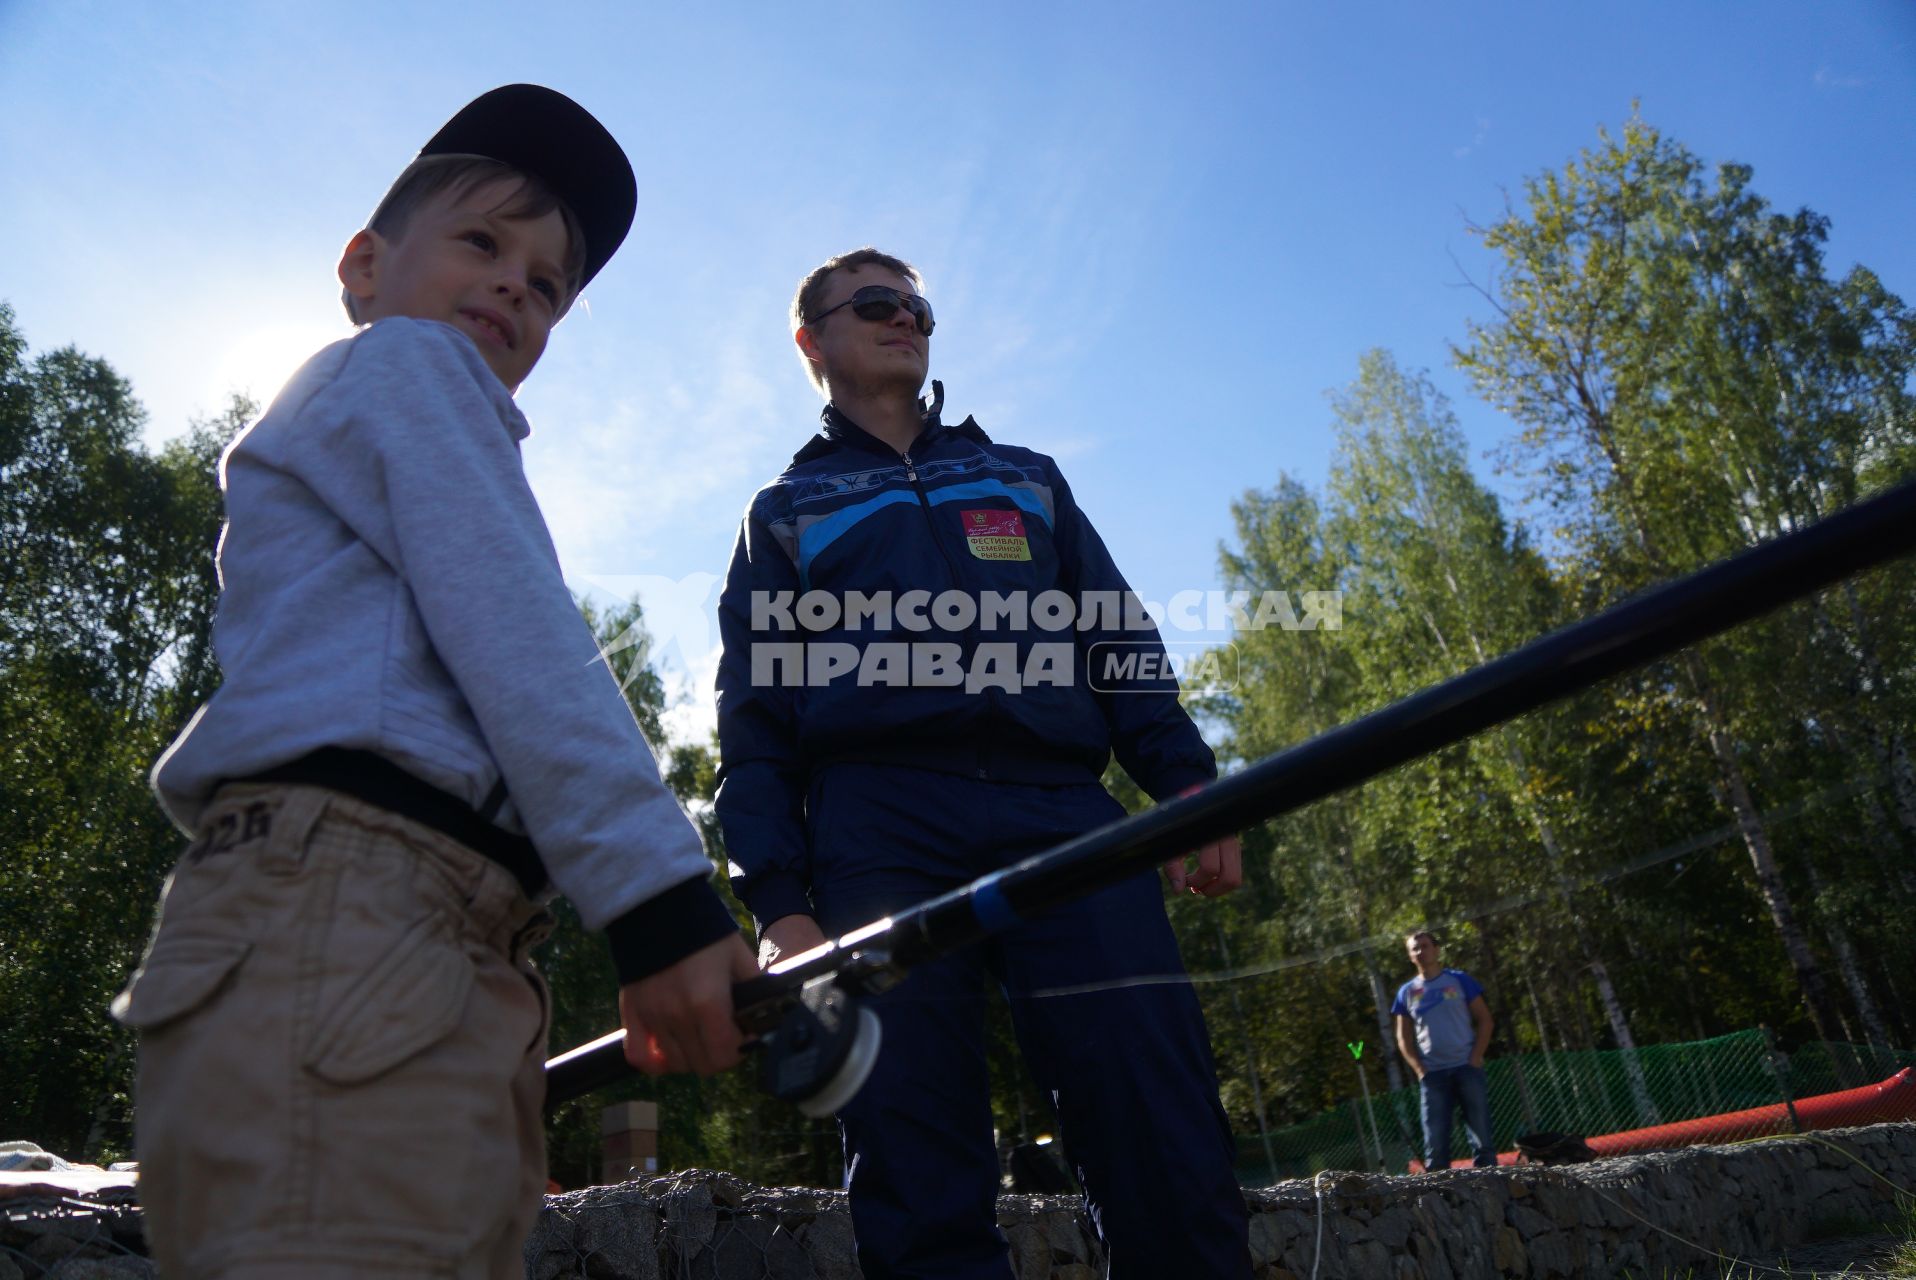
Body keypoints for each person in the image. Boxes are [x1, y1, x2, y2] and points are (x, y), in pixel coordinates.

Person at [112, 85, 755, 1278]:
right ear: (363, 265)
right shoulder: (404, 365)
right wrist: (660, 902)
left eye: (549, 283)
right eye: (481, 240)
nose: (518, 282)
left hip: (397, 927)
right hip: (356, 904)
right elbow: (520, 631)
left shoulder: (380, 419)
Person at [713, 247, 1254, 1278]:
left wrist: (1187, 786)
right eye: (875, 303)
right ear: (810, 340)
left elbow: (1118, 643)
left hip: (1064, 809)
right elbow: (754, 721)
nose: (905, 317)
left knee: (1157, 1112)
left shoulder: (1025, 477)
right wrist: (779, 902)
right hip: (877, 828)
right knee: (911, 1151)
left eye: (915, 304)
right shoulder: (782, 511)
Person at [1392, 930, 1497, 1170]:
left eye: (1425, 946)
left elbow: (1485, 1020)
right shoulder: (1406, 993)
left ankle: (1490, 1182)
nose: (1421, 951)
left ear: (1436, 950)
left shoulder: (1459, 981)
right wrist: (1419, 1069)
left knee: (1481, 1133)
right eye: (1415, 948)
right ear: (1410, 956)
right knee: (1435, 1140)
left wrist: (1475, 1057)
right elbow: (1403, 1036)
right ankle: (1441, 1194)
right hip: (1433, 1075)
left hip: (1466, 1068)